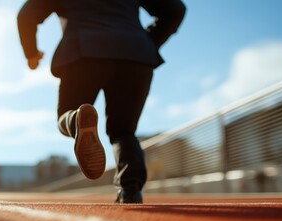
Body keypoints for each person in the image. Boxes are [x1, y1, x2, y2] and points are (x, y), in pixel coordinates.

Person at [18, 0, 185, 203]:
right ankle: (130, 190)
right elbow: (175, 9)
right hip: (135, 54)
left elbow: (26, 15)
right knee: (123, 131)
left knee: (66, 115)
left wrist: (32, 54)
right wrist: (148, 41)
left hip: (83, 51)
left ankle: (76, 120)